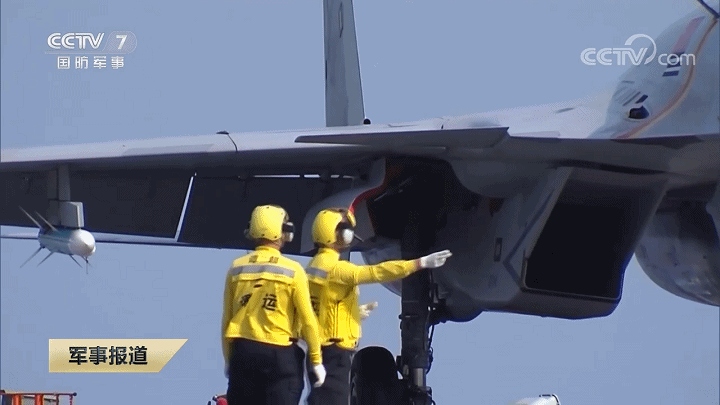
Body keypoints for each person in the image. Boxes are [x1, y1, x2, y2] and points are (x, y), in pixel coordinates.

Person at [304, 207, 452, 405]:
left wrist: (353, 314)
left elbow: (322, 306)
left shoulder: (313, 269)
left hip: (319, 349)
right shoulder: (338, 269)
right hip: (336, 351)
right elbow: (377, 272)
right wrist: (418, 264)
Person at [221, 205, 326, 405]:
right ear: (282, 232)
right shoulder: (293, 270)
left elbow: (227, 319)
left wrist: (229, 360)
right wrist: (316, 360)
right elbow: (308, 320)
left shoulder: (236, 268)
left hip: (243, 353)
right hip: (281, 355)